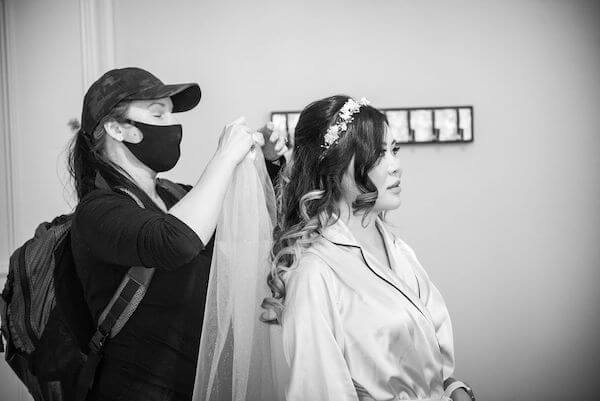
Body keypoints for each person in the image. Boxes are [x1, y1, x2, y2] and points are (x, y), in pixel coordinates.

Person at [68, 67, 287, 401]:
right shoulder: (98, 212)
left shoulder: (175, 195)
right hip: (135, 390)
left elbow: (234, 222)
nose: (172, 126)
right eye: (158, 114)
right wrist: (225, 156)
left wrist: (268, 164)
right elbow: (176, 240)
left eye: (171, 115)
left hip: (194, 385)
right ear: (116, 128)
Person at [262, 95, 475, 401]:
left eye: (394, 151)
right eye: (378, 154)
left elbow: (430, 365)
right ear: (334, 166)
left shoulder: (400, 250)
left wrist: (453, 388)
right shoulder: (315, 271)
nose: (395, 166)